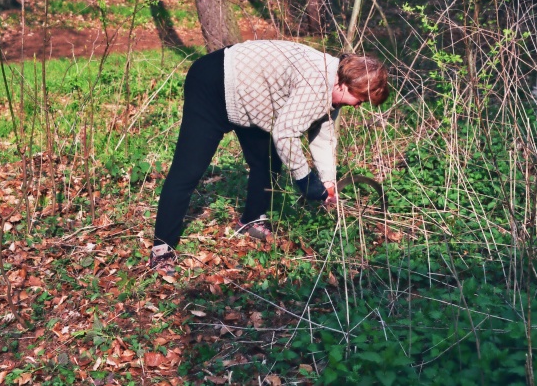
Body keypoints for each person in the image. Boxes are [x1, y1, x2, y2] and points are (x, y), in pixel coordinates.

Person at [149, 40, 389, 273]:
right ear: (342, 85)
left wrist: (327, 181)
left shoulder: (334, 87)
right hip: (213, 82)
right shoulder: (316, 83)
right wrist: (305, 181)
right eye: (360, 98)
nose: (359, 105)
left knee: (268, 161)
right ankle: (162, 248)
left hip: (253, 96)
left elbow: (323, 136)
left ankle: (251, 221)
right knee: (188, 170)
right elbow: (286, 134)